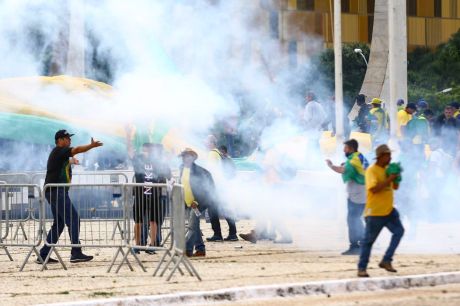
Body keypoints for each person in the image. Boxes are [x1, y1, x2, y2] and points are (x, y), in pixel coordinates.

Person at [38, 130, 103, 264]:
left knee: (60, 223)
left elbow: (63, 162)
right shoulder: (59, 150)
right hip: (57, 191)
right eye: (67, 138)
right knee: (73, 219)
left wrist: (71, 161)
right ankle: (76, 252)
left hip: (54, 191)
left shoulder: (59, 153)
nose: (69, 140)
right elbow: (78, 149)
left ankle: (43, 254)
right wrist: (91, 146)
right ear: (60, 140)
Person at [358, 144, 404, 277]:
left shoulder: (388, 169)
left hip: (389, 210)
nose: (390, 158)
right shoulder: (372, 171)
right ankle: (362, 268)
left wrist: (396, 178)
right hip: (375, 213)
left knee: (399, 232)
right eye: (387, 155)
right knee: (368, 242)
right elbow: (373, 189)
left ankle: (386, 260)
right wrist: (390, 178)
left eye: (390, 155)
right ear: (380, 157)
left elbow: (395, 187)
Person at [326, 139, 368, 255]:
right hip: (362, 192)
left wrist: (331, 165)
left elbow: (342, 170)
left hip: (357, 194)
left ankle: (355, 246)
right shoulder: (359, 156)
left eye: (346, 148)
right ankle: (365, 242)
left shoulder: (353, 160)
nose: (344, 150)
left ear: (351, 149)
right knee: (356, 218)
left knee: (352, 219)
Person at [128, 143, 172, 254]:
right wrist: (128, 136)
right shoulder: (138, 160)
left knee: (154, 221)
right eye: (144, 150)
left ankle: (152, 245)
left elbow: (168, 174)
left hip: (154, 196)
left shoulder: (157, 162)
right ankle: (137, 245)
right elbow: (130, 152)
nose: (146, 152)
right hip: (140, 195)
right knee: (138, 221)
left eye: (148, 150)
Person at [179, 148, 218, 257]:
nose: (184, 158)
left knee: (192, 226)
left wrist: (196, 201)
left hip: (198, 203)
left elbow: (205, 189)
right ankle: (200, 249)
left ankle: (187, 249)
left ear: (192, 158)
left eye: (186, 156)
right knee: (194, 226)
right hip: (188, 203)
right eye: (183, 156)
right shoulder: (181, 168)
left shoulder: (199, 171)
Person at [205, 135, 238, 242]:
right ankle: (233, 234)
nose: (205, 143)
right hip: (222, 185)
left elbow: (212, 172)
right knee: (226, 209)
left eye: (206, 141)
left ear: (211, 143)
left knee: (213, 211)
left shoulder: (212, 154)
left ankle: (217, 234)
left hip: (215, 186)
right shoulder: (219, 153)